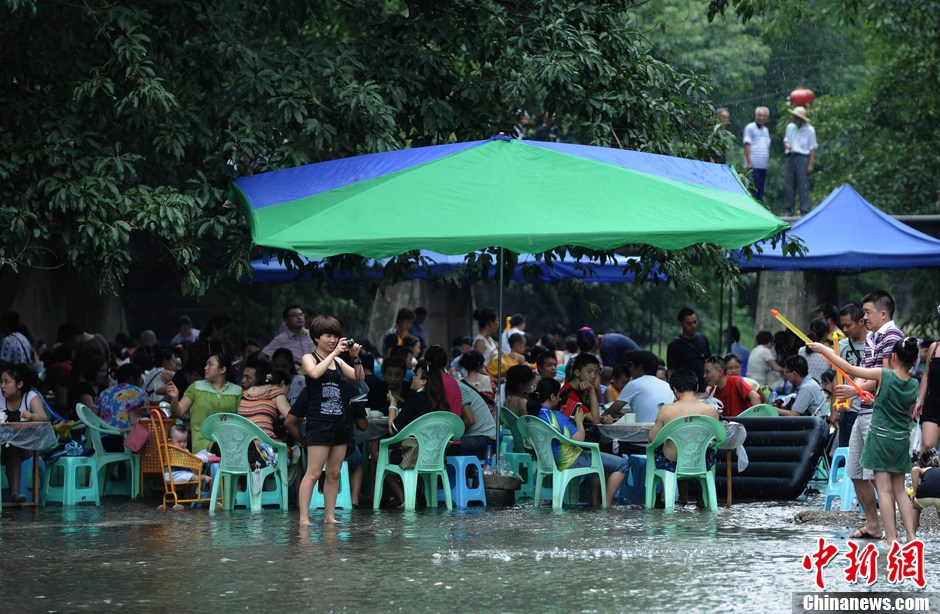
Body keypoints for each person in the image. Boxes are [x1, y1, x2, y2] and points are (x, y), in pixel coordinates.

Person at [809, 337, 920, 546]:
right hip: (901, 440)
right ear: (914, 361)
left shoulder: (883, 374)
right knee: (899, 490)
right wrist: (876, 402)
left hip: (880, 439)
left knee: (884, 490)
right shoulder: (914, 384)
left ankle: (891, 538)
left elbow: (848, 368)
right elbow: (905, 413)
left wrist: (824, 350)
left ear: (893, 357)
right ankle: (912, 537)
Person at [834, 290, 904, 541]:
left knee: (879, 478)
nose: (863, 317)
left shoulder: (893, 336)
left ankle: (891, 531)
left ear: (883, 313)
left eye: (867, 312)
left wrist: (854, 391)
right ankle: (873, 525)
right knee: (855, 472)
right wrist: (849, 398)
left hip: (880, 413)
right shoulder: (873, 337)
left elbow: (885, 377)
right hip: (863, 411)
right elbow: (864, 373)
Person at [294, 315, 363, 525]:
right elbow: (314, 373)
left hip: (340, 422)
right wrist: (334, 353)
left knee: (334, 472)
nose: (332, 340)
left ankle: (329, 516)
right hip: (319, 421)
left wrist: (355, 358)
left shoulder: (339, 361)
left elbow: (359, 377)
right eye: (327, 336)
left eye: (335, 336)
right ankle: (304, 518)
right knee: (314, 472)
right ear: (316, 337)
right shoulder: (309, 358)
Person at [526, 377, 628, 507]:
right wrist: (579, 421)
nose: (560, 399)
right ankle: (606, 504)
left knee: (595, 463)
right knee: (622, 464)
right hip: (569, 460)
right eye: (558, 396)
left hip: (547, 460)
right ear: (552, 397)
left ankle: (596, 502)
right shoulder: (557, 417)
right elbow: (579, 439)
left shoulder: (534, 415)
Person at [648, 369, 721, 505]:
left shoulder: (666, 410)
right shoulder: (711, 411)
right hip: (702, 460)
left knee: (656, 450)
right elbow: (717, 438)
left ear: (675, 390)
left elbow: (653, 439)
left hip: (672, 461)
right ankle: (706, 501)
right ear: (697, 387)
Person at [165, 353, 242, 453]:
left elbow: (241, 422)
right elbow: (177, 413)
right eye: (206, 364)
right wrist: (175, 398)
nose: (205, 368)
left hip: (229, 448)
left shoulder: (237, 391)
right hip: (201, 449)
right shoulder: (196, 387)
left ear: (222, 369)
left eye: (210, 364)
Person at [0, 364, 47, 503]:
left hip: (25, 445)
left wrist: (32, 416)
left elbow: (43, 417)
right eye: (1, 381)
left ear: (19, 384)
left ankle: (14, 494)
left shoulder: (30, 397)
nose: (2, 386)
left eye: (7, 382)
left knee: (12, 446)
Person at [607, 351, 674, 423]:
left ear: (639, 367)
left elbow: (610, 413)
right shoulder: (667, 385)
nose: (630, 369)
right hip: (667, 429)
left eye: (630, 365)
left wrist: (602, 418)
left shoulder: (634, 384)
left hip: (645, 430)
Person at [238, 358, 291, 444]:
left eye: (248, 378)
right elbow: (290, 418)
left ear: (261, 378)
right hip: (265, 445)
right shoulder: (274, 391)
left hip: (240, 443)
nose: (243, 380)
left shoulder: (240, 394)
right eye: (243, 376)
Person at [835, 303, 867, 447]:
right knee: (846, 451)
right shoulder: (841, 345)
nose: (845, 330)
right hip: (848, 410)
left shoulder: (873, 344)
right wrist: (834, 410)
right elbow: (837, 377)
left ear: (861, 322)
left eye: (848, 325)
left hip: (868, 409)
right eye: (842, 326)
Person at [94, 363, 148, 447]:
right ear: (132, 378)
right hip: (128, 440)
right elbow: (147, 419)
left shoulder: (104, 392)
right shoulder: (141, 393)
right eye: (139, 378)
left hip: (104, 440)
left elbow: (92, 416)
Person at [783, 105, 818, 216]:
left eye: (795, 116)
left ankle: (805, 210)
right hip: (790, 156)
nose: (792, 118)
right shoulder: (790, 127)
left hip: (803, 157)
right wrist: (787, 144)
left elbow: (813, 147)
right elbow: (786, 139)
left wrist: (810, 163)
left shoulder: (810, 130)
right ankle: (788, 210)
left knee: (803, 184)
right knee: (789, 184)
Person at [666, 308, 711, 391]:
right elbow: (671, 371)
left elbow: (709, 362)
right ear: (681, 324)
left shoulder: (703, 339)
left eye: (695, 322)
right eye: (689, 323)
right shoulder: (674, 346)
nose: (693, 326)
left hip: (704, 386)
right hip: (685, 389)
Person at [452, 378, 498, 459]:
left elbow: (470, 420)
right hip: (477, 437)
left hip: (485, 439)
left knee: (447, 448)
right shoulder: (452, 384)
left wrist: (450, 434)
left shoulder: (454, 386)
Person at [557, 353, 602, 424]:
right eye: (589, 371)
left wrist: (602, 419)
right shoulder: (569, 394)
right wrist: (592, 391)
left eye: (596, 372)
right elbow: (595, 420)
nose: (593, 376)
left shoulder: (583, 389)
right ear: (577, 373)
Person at [915, 338, 940, 461]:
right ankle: (923, 471)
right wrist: (920, 400)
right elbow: (926, 376)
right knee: (928, 447)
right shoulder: (935, 347)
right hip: (933, 403)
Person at [742, 106, 770, 201]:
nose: (761, 118)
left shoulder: (766, 130)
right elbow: (747, 144)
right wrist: (749, 162)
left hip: (763, 166)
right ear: (755, 116)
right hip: (752, 166)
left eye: (764, 116)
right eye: (759, 115)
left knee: (760, 191)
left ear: (767, 117)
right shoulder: (750, 127)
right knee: (753, 191)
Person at [67, 355, 109, 421]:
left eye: (105, 371)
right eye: (100, 371)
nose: (103, 374)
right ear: (92, 371)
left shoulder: (104, 388)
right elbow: (92, 412)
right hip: (82, 424)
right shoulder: (82, 387)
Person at [458, 350, 496, 415]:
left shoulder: (460, 384)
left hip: (471, 419)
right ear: (479, 363)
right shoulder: (489, 380)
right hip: (488, 418)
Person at [911, 454, 940, 535]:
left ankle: (911, 535)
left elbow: (915, 469)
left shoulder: (925, 469)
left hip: (923, 495)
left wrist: (915, 492)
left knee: (915, 508)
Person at [797, 318, 833, 384]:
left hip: (805, 388)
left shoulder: (801, 351)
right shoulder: (830, 353)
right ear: (826, 334)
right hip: (822, 389)